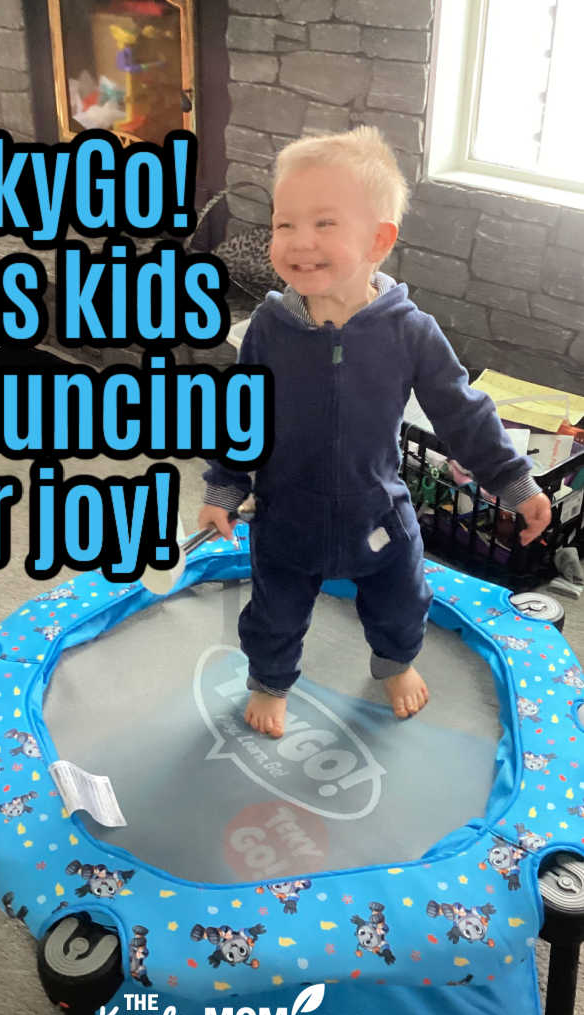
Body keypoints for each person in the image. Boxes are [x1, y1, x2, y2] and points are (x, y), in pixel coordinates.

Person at [198, 126, 551, 739]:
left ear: (379, 240)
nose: (299, 243)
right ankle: (271, 682)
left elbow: (461, 410)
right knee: (273, 612)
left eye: (325, 224)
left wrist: (513, 482)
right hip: (286, 516)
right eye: (286, 225)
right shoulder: (267, 329)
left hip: (377, 513)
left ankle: (394, 664)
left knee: (400, 598)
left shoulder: (410, 330)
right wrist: (225, 488)